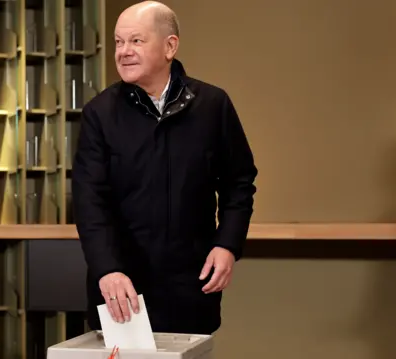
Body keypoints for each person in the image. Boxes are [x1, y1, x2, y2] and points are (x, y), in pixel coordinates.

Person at [72, 0, 257, 335]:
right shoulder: (99, 114)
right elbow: (89, 202)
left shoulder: (213, 106)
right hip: (122, 292)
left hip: (191, 287)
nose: (124, 51)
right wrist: (107, 269)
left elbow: (239, 183)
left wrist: (227, 245)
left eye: (136, 41)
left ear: (170, 46)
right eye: (118, 42)